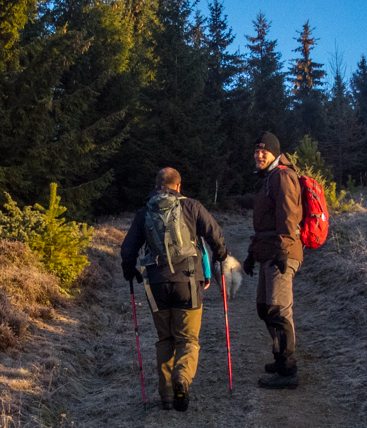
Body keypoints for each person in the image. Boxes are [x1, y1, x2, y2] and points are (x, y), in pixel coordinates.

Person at [121, 167, 227, 412]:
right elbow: (214, 233)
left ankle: (167, 397)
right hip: (187, 282)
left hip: (156, 284)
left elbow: (128, 250)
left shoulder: (144, 211)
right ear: (178, 186)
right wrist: (221, 256)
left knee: (165, 338)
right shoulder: (191, 206)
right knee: (188, 338)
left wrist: (130, 272)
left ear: (157, 185)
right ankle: (182, 378)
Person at [242, 131, 302, 389]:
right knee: (265, 308)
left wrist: (283, 250)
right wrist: (252, 254)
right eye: (256, 151)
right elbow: (265, 224)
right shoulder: (269, 179)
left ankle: (288, 371)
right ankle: (280, 359)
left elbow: (289, 216)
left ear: (275, 153)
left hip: (281, 253)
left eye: (264, 151)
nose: (258, 155)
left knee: (279, 310)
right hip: (267, 252)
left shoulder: (283, 177)